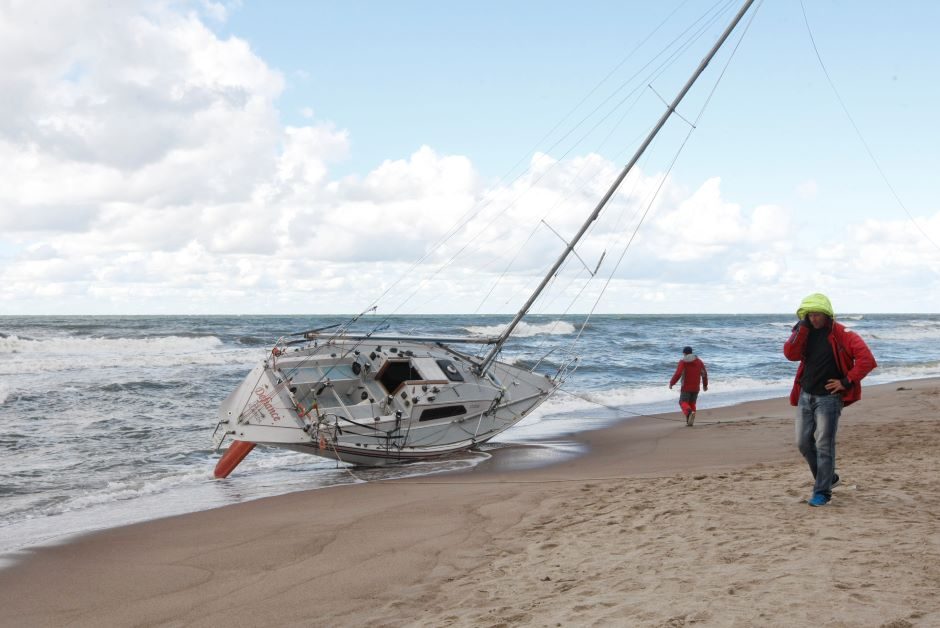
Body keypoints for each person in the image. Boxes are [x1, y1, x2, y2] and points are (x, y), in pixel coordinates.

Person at [783, 293, 877, 507]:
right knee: (803, 443)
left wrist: (846, 381)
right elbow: (790, 354)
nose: (814, 319)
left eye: (817, 315)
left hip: (829, 399)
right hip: (805, 394)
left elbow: (867, 360)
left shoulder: (843, 334)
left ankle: (822, 492)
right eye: (810, 315)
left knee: (825, 445)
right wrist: (800, 330)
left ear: (827, 314)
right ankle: (830, 479)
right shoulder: (804, 332)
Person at [669, 346, 708, 426]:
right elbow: (704, 374)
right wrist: (705, 385)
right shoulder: (699, 361)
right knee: (692, 403)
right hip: (696, 387)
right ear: (691, 352)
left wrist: (672, 383)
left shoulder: (683, 361)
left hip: (686, 387)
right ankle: (690, 421)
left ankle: (689, 413)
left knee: (682, 402)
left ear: (684, 353)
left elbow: (678, 374)